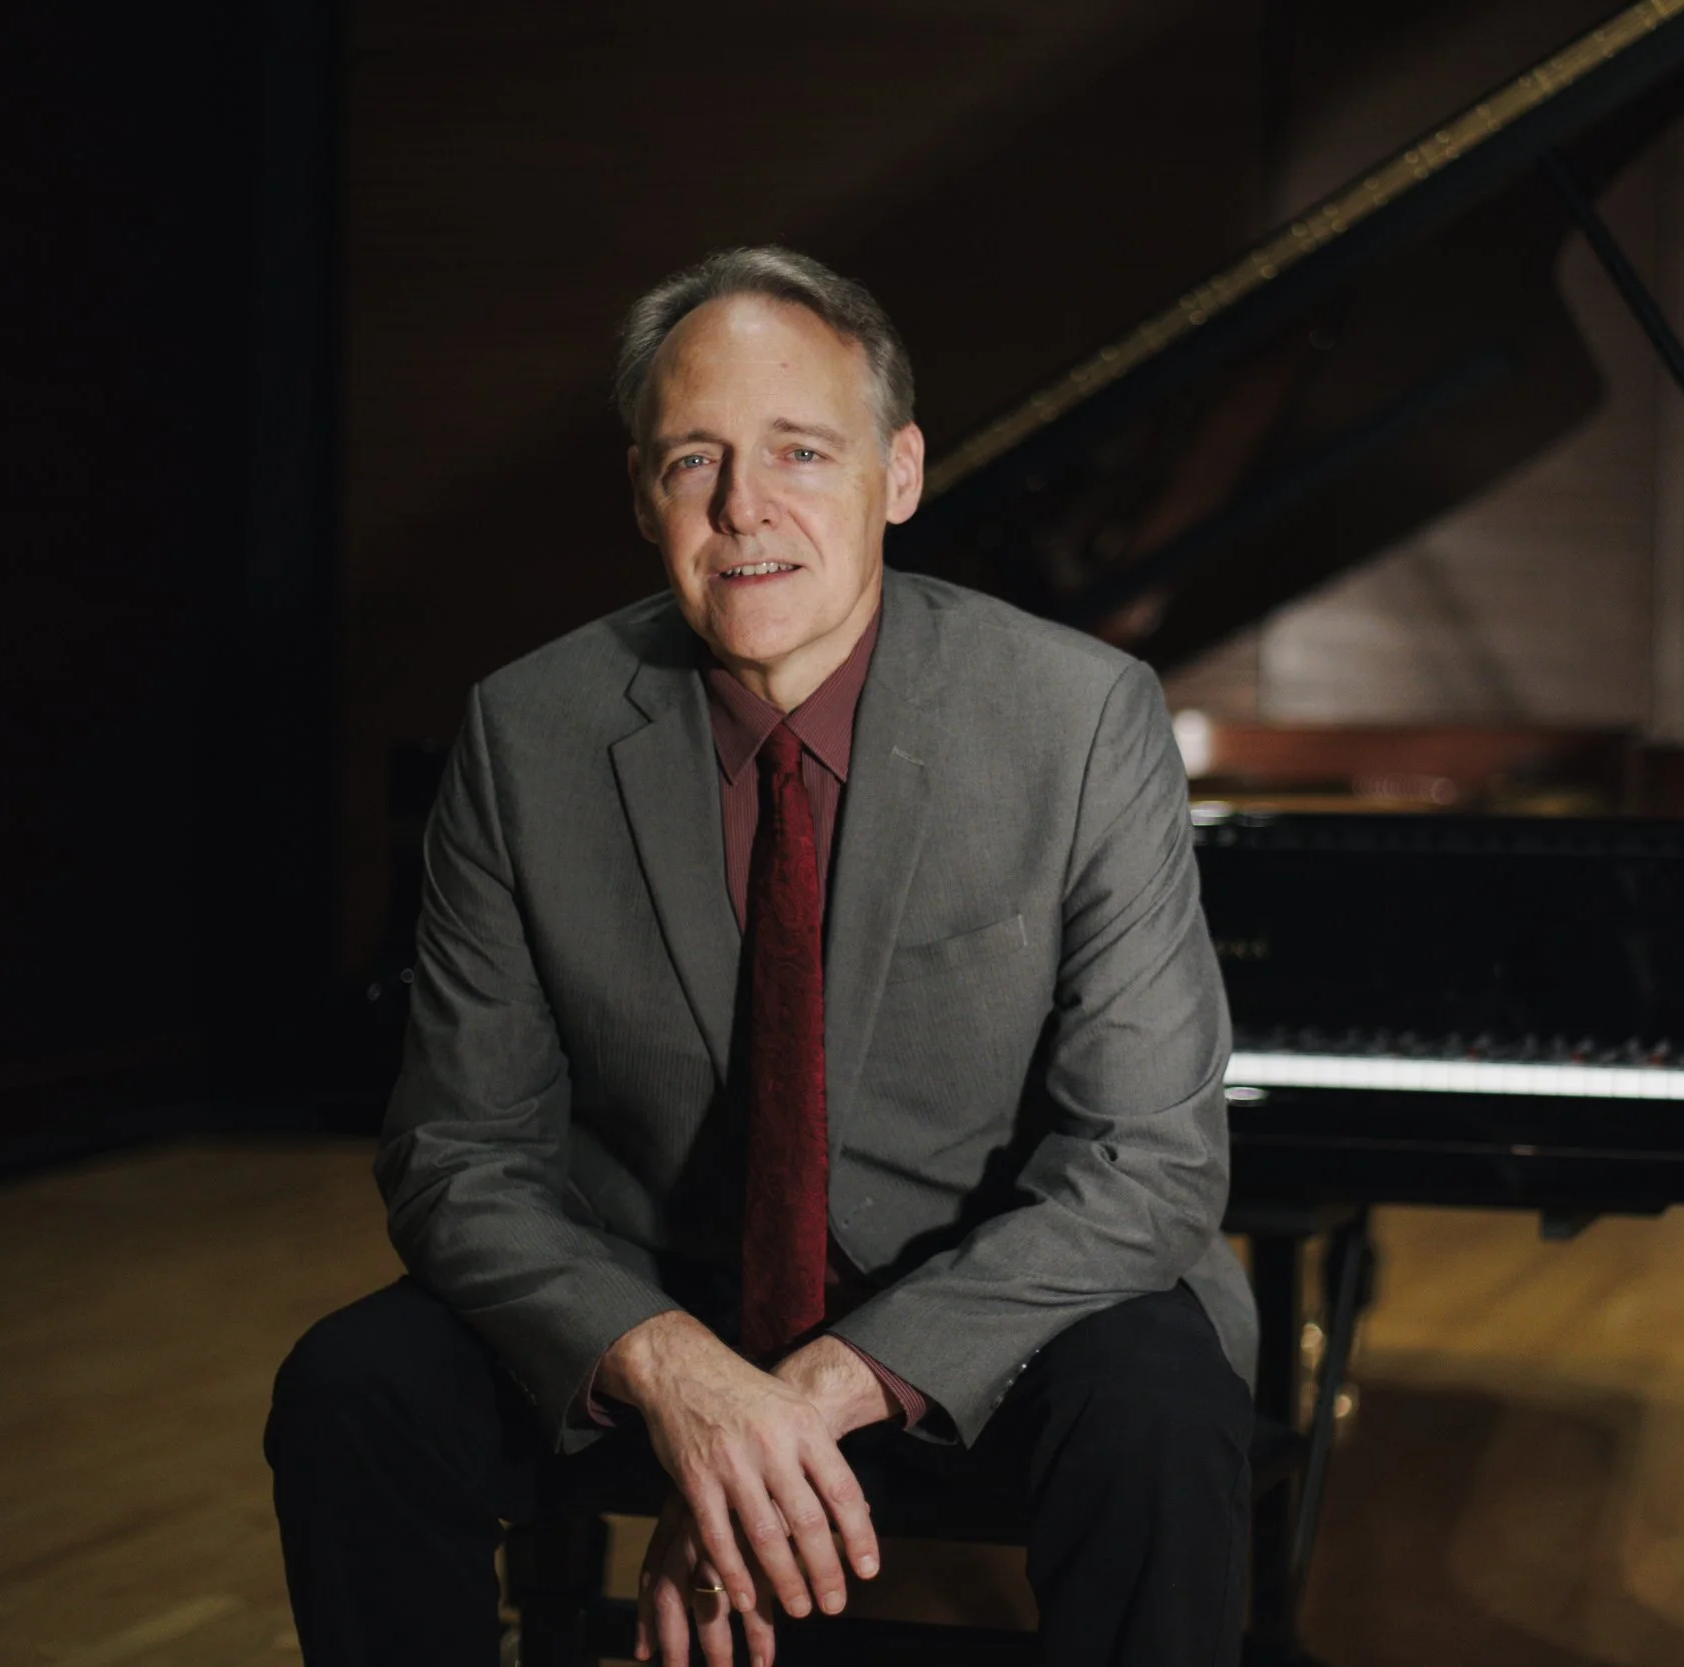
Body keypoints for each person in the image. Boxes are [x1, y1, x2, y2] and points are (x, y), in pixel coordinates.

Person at [265, 246, 1258, 1667]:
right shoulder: (525, 734)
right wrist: (676, 1377)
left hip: (983, 1317)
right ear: (641, 492)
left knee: (1160, 1401)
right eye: (693, 462)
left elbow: (1150, 1164)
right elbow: (455, 1157)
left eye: (801, 449)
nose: (745, 511)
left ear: (899, 473)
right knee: (352, 1388)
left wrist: (809, 1398)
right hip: (651, 1307)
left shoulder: (1078, 716)